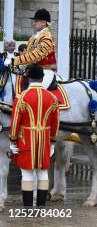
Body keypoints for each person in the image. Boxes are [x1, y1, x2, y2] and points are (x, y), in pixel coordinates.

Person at [9, 65, 59, 207]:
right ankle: (41, 206)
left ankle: (28, 207)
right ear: (42, 78)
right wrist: (53, 143)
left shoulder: (21, 96)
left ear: (29, 79)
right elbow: (56, 123)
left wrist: (13, 141)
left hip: (25, 140)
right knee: (43, 173)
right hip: (44, 141)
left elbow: (15, 122)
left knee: (27, 174)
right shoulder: (53, 97)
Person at [11, 9, 57, 88]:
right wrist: (19, 66)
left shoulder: (47, 38)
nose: (33, 23)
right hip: (32, 71)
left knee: (34, 92)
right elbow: (27, 54)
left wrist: (14, 60)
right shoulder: (33, 37)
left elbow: (34, 55)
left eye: (36, 21)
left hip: (45, 72)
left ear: (43, 22)